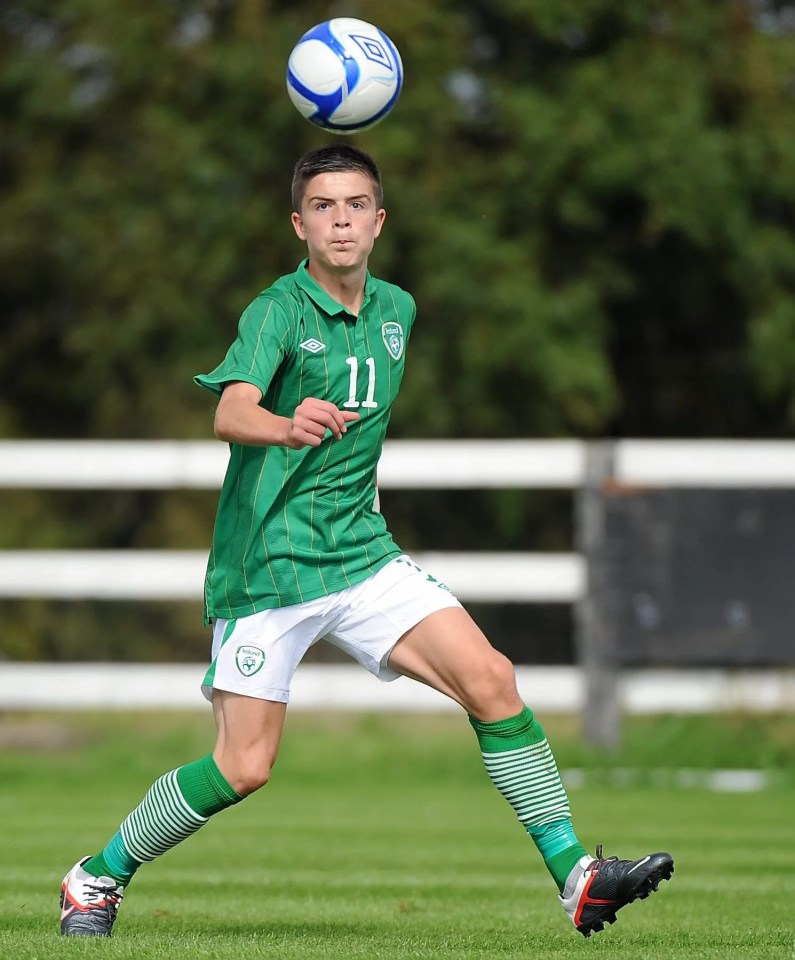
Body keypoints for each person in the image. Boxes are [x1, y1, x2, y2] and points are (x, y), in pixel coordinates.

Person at [59, 143, 673, 939]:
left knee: (491, 679)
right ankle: (96, 877)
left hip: (361, 555)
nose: (340, 221)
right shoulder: (276, 310)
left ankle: (578, 879)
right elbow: (228, 412)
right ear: (298, 223)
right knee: (244, 768)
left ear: (379, 222)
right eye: (322, 207)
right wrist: (284, 424)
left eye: (355, 206)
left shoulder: (398, 312)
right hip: (269, 567)